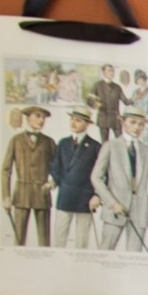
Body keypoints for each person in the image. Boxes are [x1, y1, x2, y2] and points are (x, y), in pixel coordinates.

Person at [90, 110, 148, 252]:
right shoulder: (110, 146)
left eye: (141, 124)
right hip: (115, 210)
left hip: (139, 212)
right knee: (105, 253)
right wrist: (112, 203)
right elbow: (96, 177)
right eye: (133, 122)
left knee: (135, 257)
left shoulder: (146, 151)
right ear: (123, 122)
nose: (137, 127)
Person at [0, 105, 55, 246]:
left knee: (44, 242)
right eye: (37, 116)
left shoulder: (49, 142)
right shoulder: (15, 140)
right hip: (21, 195)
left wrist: (53, 182)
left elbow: (58, 167)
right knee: (18, 241)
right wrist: (6, 196)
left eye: (43, 117)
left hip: (42, 195)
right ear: (28, 117)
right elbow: (6, 170)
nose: (41, 120)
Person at [50, 106, 100, 249]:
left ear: (87, 124)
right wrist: (63, 183)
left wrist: (97, 196)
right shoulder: (63, 143)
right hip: (65, 195)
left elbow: (102, 174)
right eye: (72, 119)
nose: (73, 123)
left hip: (85, 198)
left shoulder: (95, 146)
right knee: (59, 238)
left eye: (78, 120)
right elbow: (55, 167)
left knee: (82, 241)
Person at [86, 63, 126, 142]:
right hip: (103, 118)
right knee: (104, 143)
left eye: (113, 71)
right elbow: (89, 100)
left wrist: (135, 98)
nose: (112, 73)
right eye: (109, 71)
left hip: (115, 119)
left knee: (121, 142)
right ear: (104, 72)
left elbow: (126, 101)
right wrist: (95, 104)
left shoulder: (117, 87)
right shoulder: (97, 85)